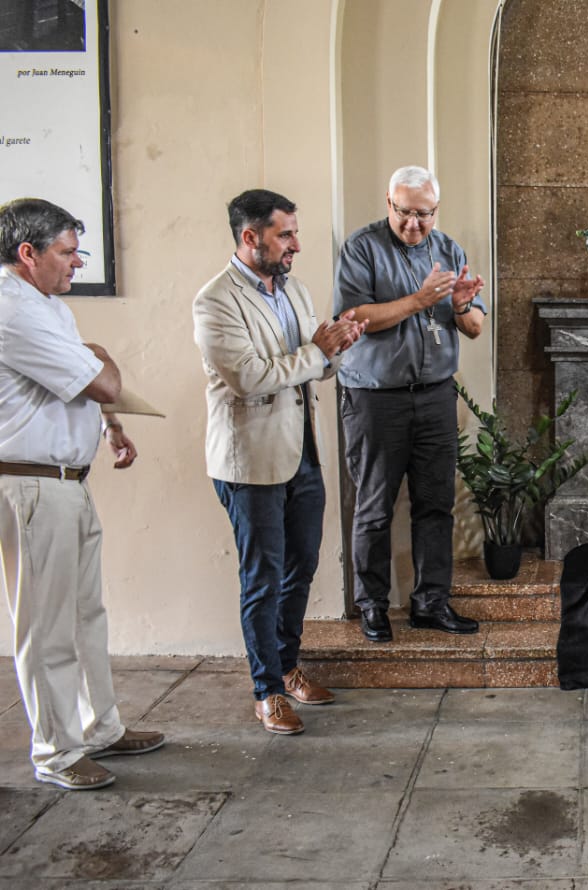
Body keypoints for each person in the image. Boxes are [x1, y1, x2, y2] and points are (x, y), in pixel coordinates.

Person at [0, 197, 164, 790]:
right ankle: (57, 753)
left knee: (86, 615)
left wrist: (109, 427)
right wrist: (104, 364)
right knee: (44, 627)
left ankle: (101, 729)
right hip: (31, 486)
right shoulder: (12, 310)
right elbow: (101, 380)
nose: (76, 264)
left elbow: (70, 394)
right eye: (67, 253)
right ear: (28, 254)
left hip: (67, 480)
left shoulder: (47, 306)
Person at [194, 189, 365, 735]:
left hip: (302, 452)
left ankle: (289, 666)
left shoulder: (295, 290)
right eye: (284, 234)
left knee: (302, 568)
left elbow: (312, 368)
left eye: (295, 232)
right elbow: (249, 377)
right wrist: (317, 351)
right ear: (251, 237)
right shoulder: (215, 300)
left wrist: (338, 346)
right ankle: (266, 690)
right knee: (262, 578)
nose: (296, 244)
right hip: (251, 463)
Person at [335, 166, 486, 642]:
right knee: (375, 507)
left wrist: (461, 304)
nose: (414, 224)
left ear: (436, 210)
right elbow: (355, 316)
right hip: (376, 398)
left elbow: (476, 326)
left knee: (436, 505)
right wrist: (420, 300)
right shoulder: (362, 248)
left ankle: (431, 602)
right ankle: (373, 605)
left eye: (424, 214)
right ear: (388, 203)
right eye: (405, 213)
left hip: (436, 395)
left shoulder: (449, 250)